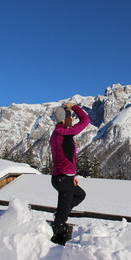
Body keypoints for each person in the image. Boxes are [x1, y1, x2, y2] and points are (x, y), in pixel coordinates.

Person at [50, 102, 90, 245]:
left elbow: (63, 156)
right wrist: (74, 107)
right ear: (64, 119)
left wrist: (71, 176)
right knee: (62, 217)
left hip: (60, 177)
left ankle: (60, 213)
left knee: (80, 195)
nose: (73, 120)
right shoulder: (64, 133)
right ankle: (55, 244)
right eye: (71, 117)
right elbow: (86, 121)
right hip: (63, 180)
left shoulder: (56, 133)